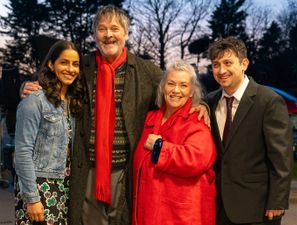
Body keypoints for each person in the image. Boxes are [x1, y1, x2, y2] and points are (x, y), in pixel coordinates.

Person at [21, 5, 209, 225]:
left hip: (124, 171)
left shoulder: (145, 70)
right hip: (89, 169)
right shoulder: (83, 66)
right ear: (95, 34)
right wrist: (26, 85)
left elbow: (177, 86)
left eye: (114, 28)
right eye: (102, 29)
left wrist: (202, 103)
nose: (108, 35)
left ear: (126, 33)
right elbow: (54, 77)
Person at [206, 36, 293, 225]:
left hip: (258, 208)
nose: (221, 70)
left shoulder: (268, 101)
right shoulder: (208, 102)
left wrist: (277, 201)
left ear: (244, 63)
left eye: (228, 62)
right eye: (215, 64)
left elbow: (281, 157)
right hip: (218, 207)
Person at [132, 60, 217, 225]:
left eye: (183, 85)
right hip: (148, 213)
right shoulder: (149, 118)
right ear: (163, 87)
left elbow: (196, 159)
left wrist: (159, 147)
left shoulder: (197, 121)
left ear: (192, 91)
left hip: (180, 216)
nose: (176, 90)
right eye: (171, 84)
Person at [14, 40, 83, 224]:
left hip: (65, 188)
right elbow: (22, 153)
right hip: (40, 187)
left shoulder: (74, 103)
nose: (71, 69)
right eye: (64, 62)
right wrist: (32, 198)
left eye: (75, 64)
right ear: (51, 65)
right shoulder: (34, 101)